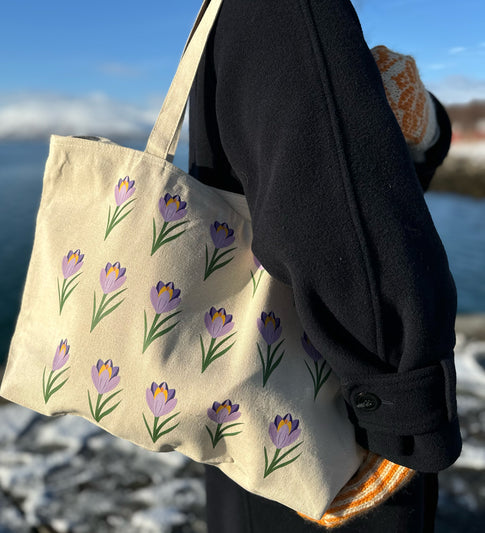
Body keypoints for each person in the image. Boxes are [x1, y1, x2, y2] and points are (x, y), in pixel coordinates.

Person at [188, 1, 460, 532]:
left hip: (248, 396)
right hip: (332, 429)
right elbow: (341, 225)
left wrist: (425, 125)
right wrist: (405, 418)